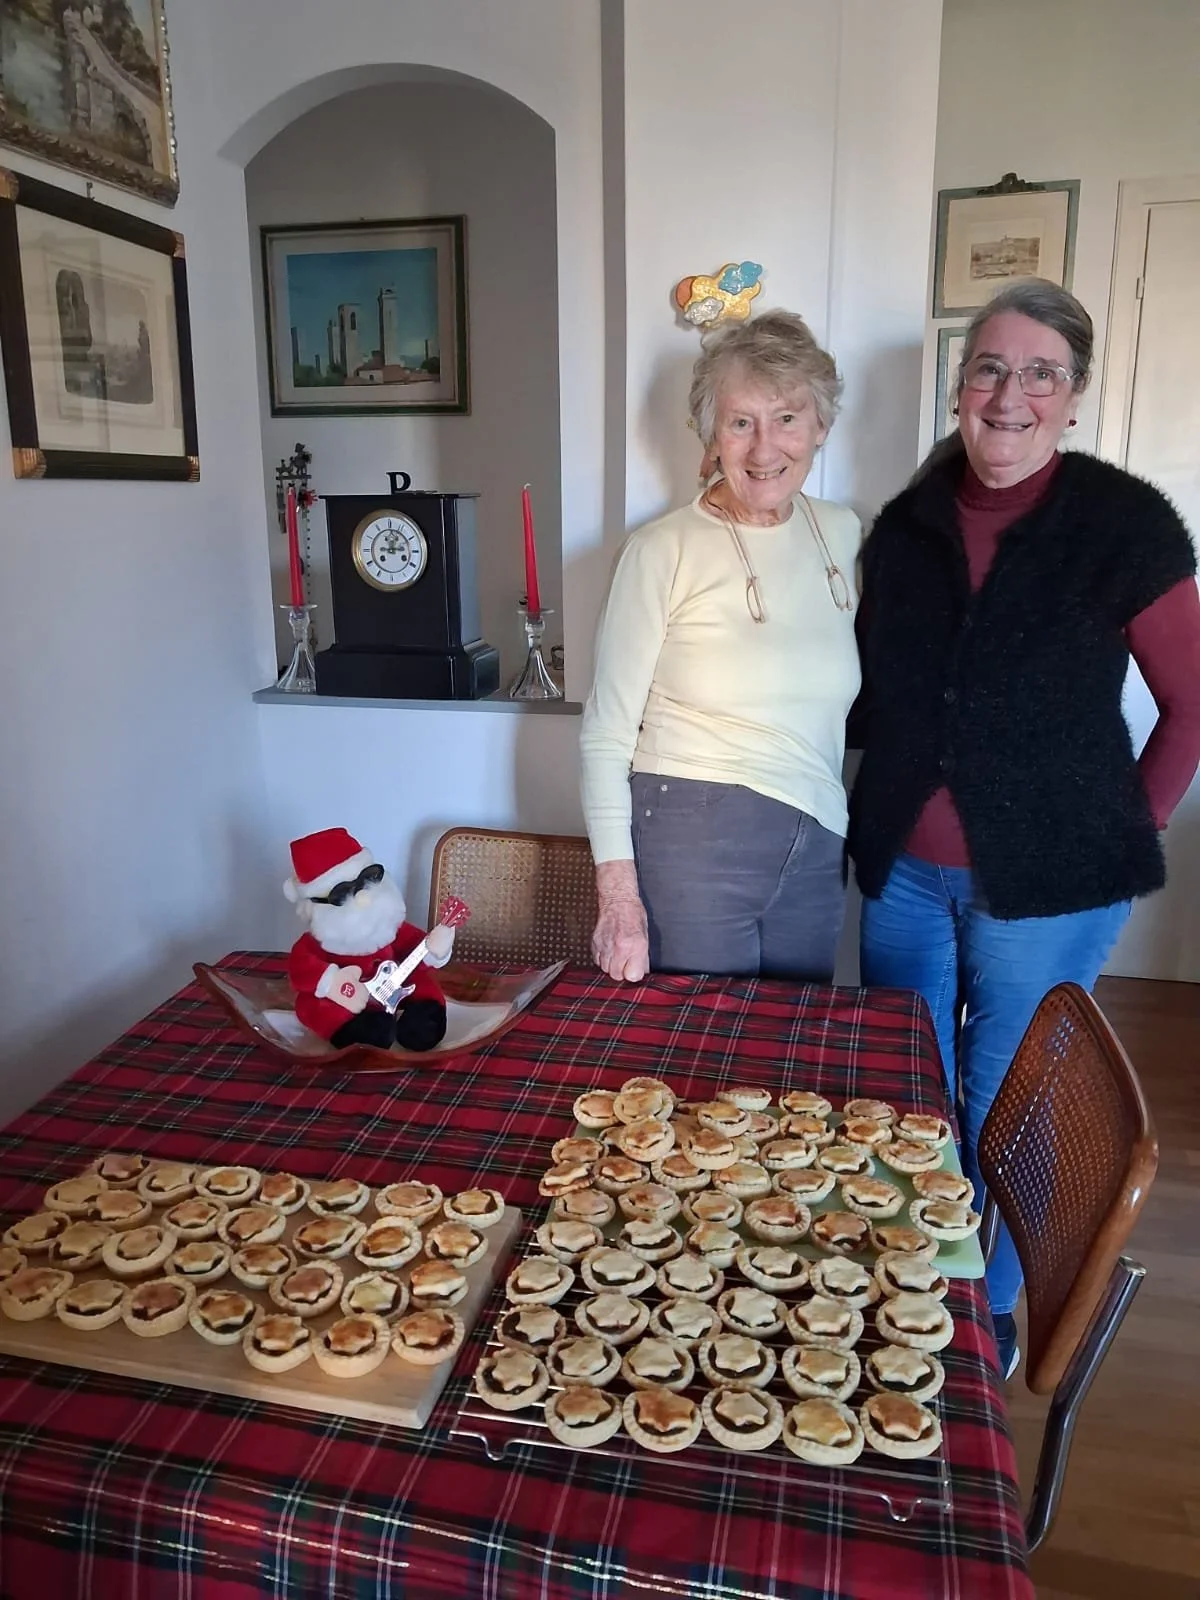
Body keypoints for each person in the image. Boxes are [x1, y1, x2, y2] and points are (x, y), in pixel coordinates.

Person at [849, 278, 1200, 1377]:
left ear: (1074, 395)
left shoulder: (1120, 523)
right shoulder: (906, 525)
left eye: (1039, 371)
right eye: (990, 367)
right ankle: (909, 1270)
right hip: (904, 867)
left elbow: (1192, 704)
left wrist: (1111, 835)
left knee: (1007, 1105)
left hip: (1047, 886)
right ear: (960, 388)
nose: (1011, 393)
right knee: (910, 1093)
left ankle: (986, 1306)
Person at [581, 310, 862, 984]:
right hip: (691, 832)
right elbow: (604, 735)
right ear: (711, 436)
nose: (765, 448)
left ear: (820, 426)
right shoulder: (661, 550)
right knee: (701, 1052)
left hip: (819, 833)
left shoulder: (844, 533)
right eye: (741, 423)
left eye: (787, 418)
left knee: (795, 1053)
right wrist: (619, 900)